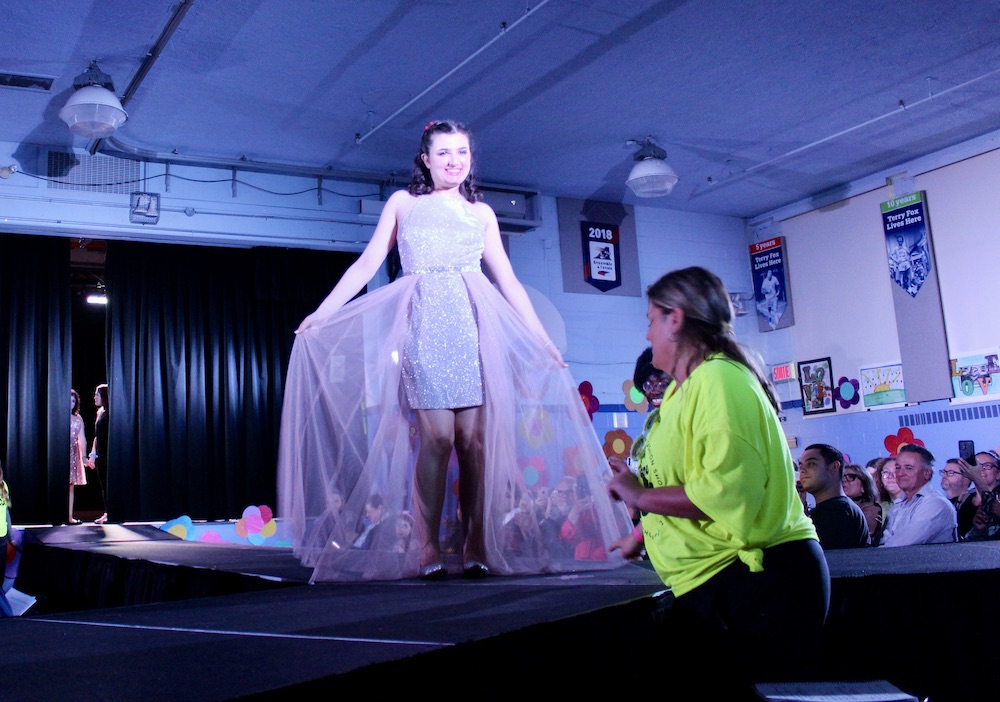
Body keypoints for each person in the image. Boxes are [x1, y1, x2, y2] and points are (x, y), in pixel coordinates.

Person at [278, 119, 631, 582]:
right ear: (425, 159)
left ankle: (476, 541)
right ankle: (425, 543)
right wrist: (323, 314)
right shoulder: (404, 204)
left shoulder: (480, 213)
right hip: (424, 326)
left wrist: (544, 340)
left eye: (461, 152)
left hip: (472, 328)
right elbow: (368, 262)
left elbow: (507, 281)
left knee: (474, 443)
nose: (454, 160)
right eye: (443, 152)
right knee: (439, 437)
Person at [606, 266, 829, 684]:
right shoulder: (679, 391)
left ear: (676, 319)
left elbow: (724, 492)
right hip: (717, 584)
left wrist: (637, 497)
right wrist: (639, 533)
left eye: (651, 320)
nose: (646, 334)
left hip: (761, 582)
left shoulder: (720, 379)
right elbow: (682, 478)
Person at [880, 445, 957, 546]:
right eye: (898, 468)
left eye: (909, 468)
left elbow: (900, 545)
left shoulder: (935, 504)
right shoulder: (899, 504)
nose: (900, 473)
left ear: (927, 473)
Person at [797, 444, 870, 549]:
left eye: (811, 463)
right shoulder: (830, 508)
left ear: (834, 467)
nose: (802, 470)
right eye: (801, 465)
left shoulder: (838, 511)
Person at [842, 463, 885, 546]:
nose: (844, 480)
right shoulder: (835, 509)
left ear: (864, 486)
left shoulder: (871, 509)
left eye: (851, 477)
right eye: (842, 477)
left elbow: (858, 538)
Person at [87, 383, 109, 524]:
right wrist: (93, 454)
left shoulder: (109, 413)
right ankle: (107, 512)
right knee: (103, 485)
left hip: (109, 454)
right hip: (100, 453)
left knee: (108, 484)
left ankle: (110, 512)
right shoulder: (100, 412)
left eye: (97, 394)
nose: (95, 397)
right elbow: (97, 436)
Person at [938, 458, 977, 539]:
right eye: (944, 472)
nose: (944, 476)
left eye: (951, 473)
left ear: (967, 479)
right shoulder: (938, 504)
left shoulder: (973, 502)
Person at [69, 389, 88, 524]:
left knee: (70, 485)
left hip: (73, 452)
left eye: (73, 401)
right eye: (69, 400)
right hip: (61, 451)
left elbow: (82, 438)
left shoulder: (78, 418)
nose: (71, 403)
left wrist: (84, 456)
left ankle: (69, 516)